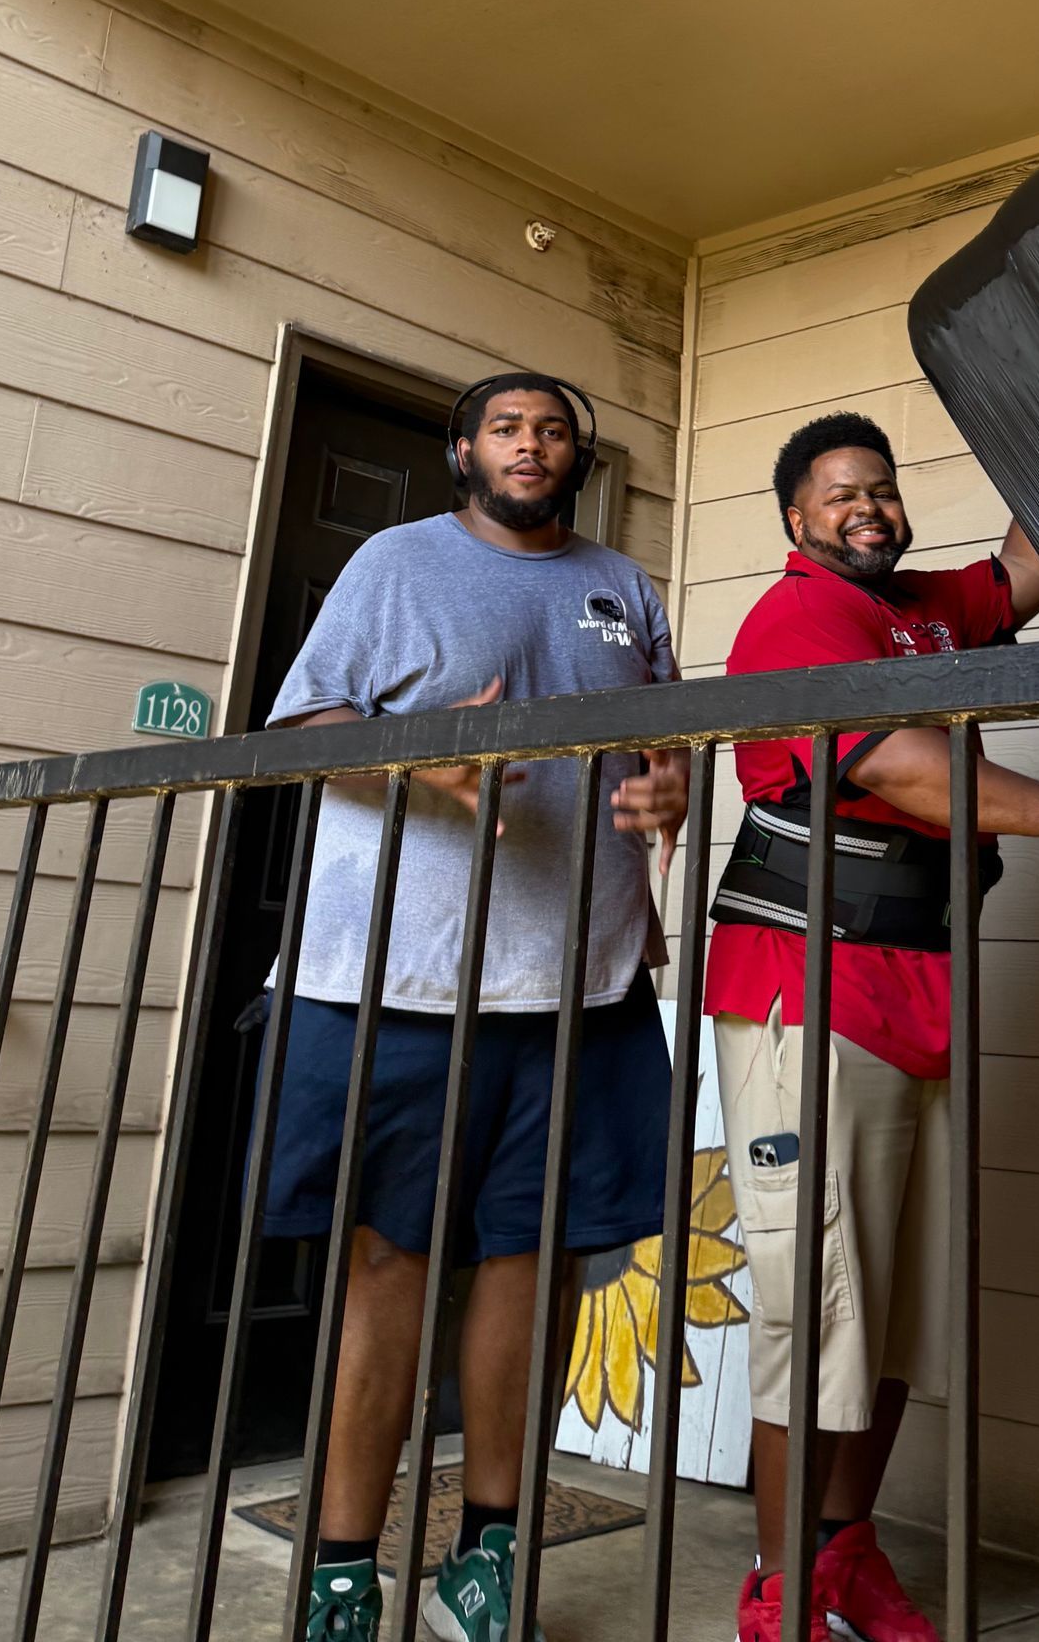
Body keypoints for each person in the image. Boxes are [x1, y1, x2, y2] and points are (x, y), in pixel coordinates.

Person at [705, 412, 1039, 1642]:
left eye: (884, 488)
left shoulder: (921, 608)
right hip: (807, 993)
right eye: (840, 495)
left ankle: (844, 1556)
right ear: (796, 521)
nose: (868, 507)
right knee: (814, 1309)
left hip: (918, 989)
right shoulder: (795, 621)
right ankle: (775, 1594)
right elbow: (897, 762)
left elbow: (1027, 567)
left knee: (899, 1309)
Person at [259, 372, 688, 1642]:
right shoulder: (395, 562)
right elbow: (297, 731)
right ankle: (343, 1565)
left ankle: (487, 1557)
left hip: (580, 983)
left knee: (537, 1268)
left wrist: (667, 789)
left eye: (552, 428)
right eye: (506, 426)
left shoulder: (625, 587)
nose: (531, 444)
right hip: (395, 979)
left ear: (577, 455)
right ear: (463, 450)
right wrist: (425, 753)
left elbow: (666, 744)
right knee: (386, 1263)